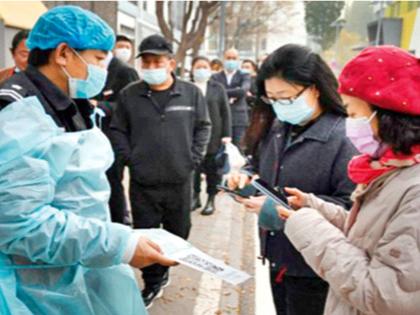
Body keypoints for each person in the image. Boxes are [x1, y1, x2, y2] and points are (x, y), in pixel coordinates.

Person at [0, 6, 175, 315]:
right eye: (98, 57)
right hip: (35, 287)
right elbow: (22, 224)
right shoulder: (18, 115)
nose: (103, 67)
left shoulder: (66, 103)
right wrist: (118, 244)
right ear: (64, 53)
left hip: (78, 266)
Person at [279, 46, 420, 315]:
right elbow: (371, 236)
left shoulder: (414, 189)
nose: (350, 124)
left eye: (354, 115)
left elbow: (384, 296)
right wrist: (316, 208)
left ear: (388, 115)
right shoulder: (390, 171)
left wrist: (309, 228)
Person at [228, 44, 357, 315]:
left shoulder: (345, 138)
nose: (279, 107)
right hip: (279, 255)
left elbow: (350, 209)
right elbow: (262, 167)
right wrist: (246, 178)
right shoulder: (279, 127)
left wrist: (279, 209)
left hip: (316, 266)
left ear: (314, 88)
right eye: (272, 99)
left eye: (286, 98)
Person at [111, 34, 211, 308]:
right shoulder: (130, 94)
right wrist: (131, 159)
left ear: (171, 63)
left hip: (180, 180)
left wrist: (193, 158)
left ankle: (163, 269)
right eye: (147, 61)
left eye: (158, 61)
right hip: (143, 181)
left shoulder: (191, 93)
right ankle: (153, 280)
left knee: (179, 232)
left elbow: (203, 126)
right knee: (147, 234)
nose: (152, 67)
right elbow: (118, 130)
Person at [92, 35, 140, 225]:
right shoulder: (94, 69)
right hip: (96, 134)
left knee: (113, 180)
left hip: (115, 136)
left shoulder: (124, 71)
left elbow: (131, 106)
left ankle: (120, 220)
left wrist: (101, 105)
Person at [190, 56, 232, 215]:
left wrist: (227, 134)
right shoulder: (188, 87)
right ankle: (195, 197)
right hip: (192, 136)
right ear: (192, 69)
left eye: (204, 67)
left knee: (212, 171)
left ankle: (210, 199)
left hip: (214, 136)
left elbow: (225, 112)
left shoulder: (217, 88)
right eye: (198, 67)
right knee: (194, 169)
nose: (201, 70)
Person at [212, 48, 251, 146]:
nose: (231, 61)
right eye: (228, 58)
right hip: (220, 119)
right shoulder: (215, 77)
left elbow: (242, 91)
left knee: (238, 151)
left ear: (238, 60)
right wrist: (235, 92)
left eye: (234, 58)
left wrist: (223, 92)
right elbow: (214, 92)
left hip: (239, 119)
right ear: (223, 59)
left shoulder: (244, 75)